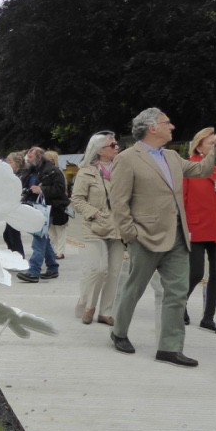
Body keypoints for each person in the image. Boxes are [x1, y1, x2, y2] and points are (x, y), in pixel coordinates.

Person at [108, 108, 216, 367]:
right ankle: (119, 332)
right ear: (152, 128)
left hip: (178, 236)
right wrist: (130, 234)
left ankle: (169, 347)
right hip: (144, 236)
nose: (173, 127)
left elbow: (201, 170)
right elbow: (119, 201)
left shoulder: (171, 156)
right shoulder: (127, 159)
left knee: (178, 293)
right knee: (133, 289)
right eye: (167, 123)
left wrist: (214, 149)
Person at [70, 132, 123, 326]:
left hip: (118, 228)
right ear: (100, 150)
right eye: (113, 145)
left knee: (115, 271)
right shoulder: (86, 171)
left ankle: (106, 312)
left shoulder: (123, 170)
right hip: (95, 227)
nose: (117, 147)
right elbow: (77, 199)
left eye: (117, 145)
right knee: (99, 269)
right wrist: (94, 213)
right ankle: (89, 306)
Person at [183, 126, 216, 331]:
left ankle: (208, 316)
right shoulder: (190, 167)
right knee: (195, 273)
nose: (215, 146)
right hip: (195, 227)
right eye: (211, 143)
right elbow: (183, 198)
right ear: (199, 147)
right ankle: (179, 304)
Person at [16, 147, 67, 283]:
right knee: (43, 238)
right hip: (34, 208)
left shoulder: (52, 171)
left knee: (39, 240)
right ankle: (52, 267)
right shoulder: (32, 171)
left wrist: (42, 190)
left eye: (30, 157)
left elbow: (60, 189)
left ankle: (34, 271)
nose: (28, 159)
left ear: (39, 156)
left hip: (47, 209)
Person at [43, 150, 70, 259]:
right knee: (51, 230)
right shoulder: (47, 173)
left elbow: (61, 190)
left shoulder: (58, 172)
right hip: (50, 205)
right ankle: (55, 250)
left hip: (59, 205)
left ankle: (60, 252)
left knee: (60, 230)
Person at [2, 152, 26, 257]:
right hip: (6, 207)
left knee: (13, 234)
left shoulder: (21, 175)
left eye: (10, 161)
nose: (8, 163)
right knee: (7, 234)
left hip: (14, 208)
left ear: (17, 163)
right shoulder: (8, 175)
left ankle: (19, 255)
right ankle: (13, 254)